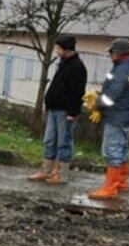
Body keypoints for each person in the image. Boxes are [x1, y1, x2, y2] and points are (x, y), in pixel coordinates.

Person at [87, 38, 129, 200]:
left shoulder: (120, 70)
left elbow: (113, 95)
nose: (110, 55)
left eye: (111, 52)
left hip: (116, 115)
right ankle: (121, 182)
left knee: (112, 150)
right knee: (123, 148)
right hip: (127, 114)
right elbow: (124, 92)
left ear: (118, 53)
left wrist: (97, 103)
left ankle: (110, 188)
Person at [28, 36, 87, 185]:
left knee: (63, 142)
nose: (56, 51)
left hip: (65, 111)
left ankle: (61, 173)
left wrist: (72, 112)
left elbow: (77, 92)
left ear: (66, 49)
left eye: (58, 48)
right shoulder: (63, 64)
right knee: (49, 140)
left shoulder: (77, 67)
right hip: (54, 109)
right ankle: (47, 171)